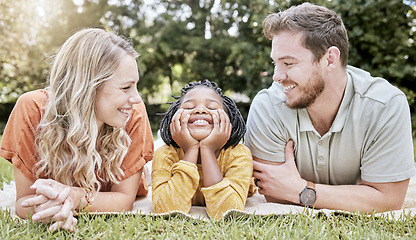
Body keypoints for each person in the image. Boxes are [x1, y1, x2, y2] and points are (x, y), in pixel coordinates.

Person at [244, 3, 415, 213]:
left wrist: (301, 190)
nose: (277, 76)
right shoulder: (267, 107)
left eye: (288, 63)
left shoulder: (385, 106)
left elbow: (388, 201)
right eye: (275, 63)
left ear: (330, 59)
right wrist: (360, 197)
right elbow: (274, 194)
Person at [0, 28, 154, 231]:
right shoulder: (32, 109)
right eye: (126, 87)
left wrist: (74, 198)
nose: (136, 98)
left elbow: (124, 200)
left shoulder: (133, 113)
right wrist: (52, 208)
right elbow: (25, 200)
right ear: (88, 86)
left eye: (135, 86)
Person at [152, 80, 256, 219]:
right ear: (174, 118)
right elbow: (165, 209)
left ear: (228, 119)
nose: (200, 110)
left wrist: (207, 149)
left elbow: (226, 212)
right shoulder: (165, 154)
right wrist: (191, 150)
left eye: (212, 107)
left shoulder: (239, 154)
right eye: (189, 107)